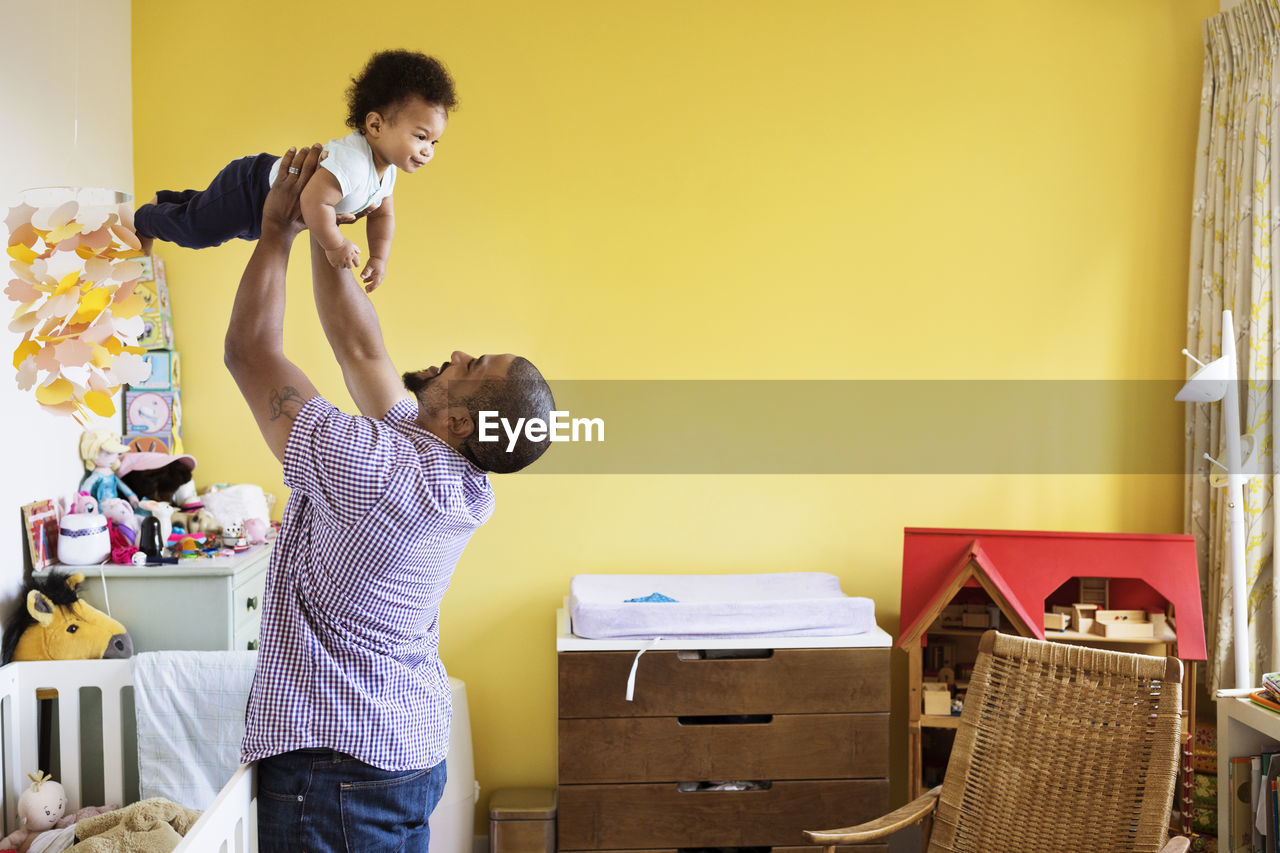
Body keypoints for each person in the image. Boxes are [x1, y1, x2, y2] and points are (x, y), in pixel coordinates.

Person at [224, 144, 554, 852]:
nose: (459, 353)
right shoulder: (451, 473)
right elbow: (361, 349)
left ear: (463, 418)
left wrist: (278, 228)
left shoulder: (374, 471)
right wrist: (329, 222)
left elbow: (250, 352)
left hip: (333, 763)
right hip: (397, 752)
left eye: (472, 367)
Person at [133, 50, 456, 291]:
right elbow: (314, 202)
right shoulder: (353, 162)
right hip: (253, 187)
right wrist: (334, 244)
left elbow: (383, 216)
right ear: (375, 125)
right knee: (201, 232)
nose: (428, 150)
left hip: (268, 206)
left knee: (212, 215)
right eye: (421, 136)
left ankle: (167, 201)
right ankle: (145, 220)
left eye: (435, 142)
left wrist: (378, 258)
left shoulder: (387, 172)